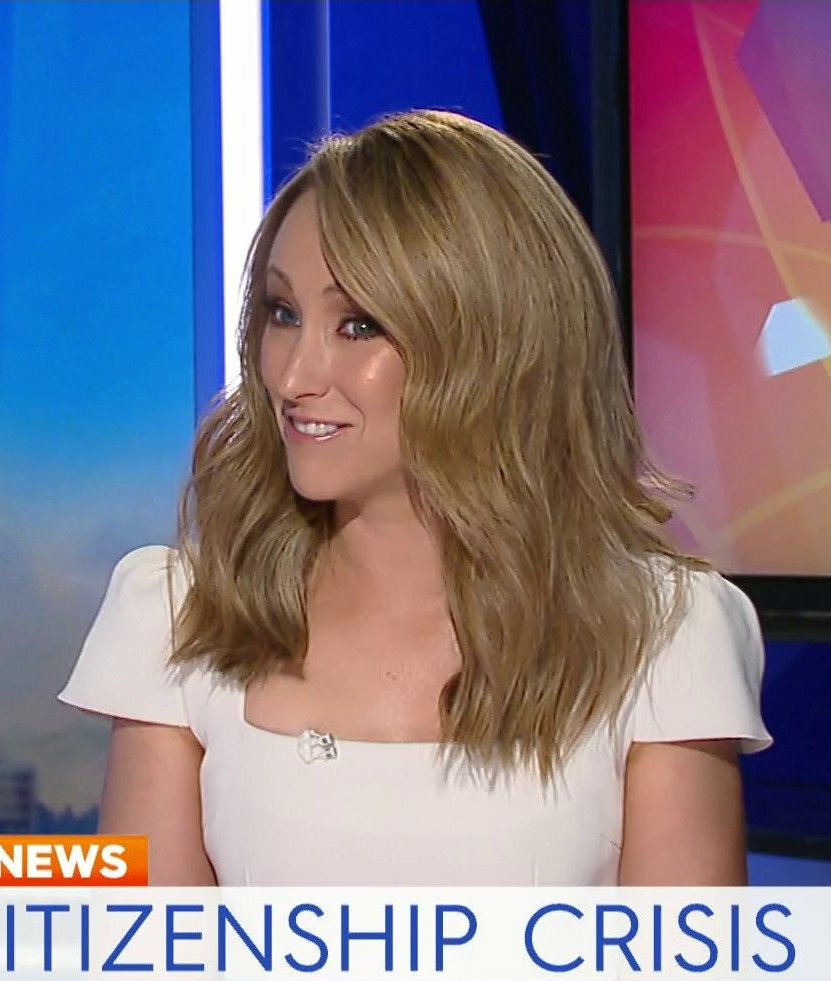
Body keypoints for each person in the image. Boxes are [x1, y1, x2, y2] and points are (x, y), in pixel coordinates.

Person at [60, 109, 770, 888]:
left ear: (494, 347)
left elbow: (682, 970)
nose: (292, 376)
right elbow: (156, 965)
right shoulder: (179, 616)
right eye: (282, 314)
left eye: (358, 325)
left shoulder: (662, 636)